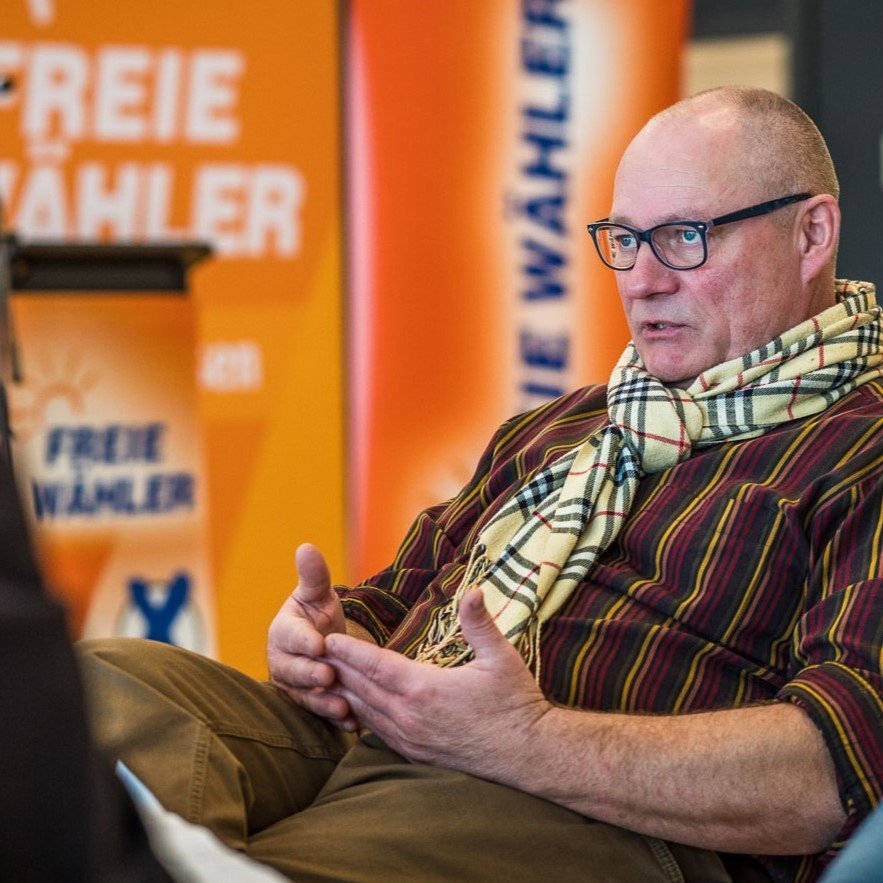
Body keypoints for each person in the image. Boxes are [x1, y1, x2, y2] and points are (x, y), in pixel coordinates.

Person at [80, 86, 883, 883]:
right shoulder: (561, 428)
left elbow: (836, 768)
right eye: (623, 239)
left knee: (307, 848)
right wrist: (326, 644)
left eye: (682, 237)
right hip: (383, 737)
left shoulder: (861, 447)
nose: (641, 280)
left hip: (592, 812)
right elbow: (391, 603)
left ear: (809, 234)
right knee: (94, 688)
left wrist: (524, 741)